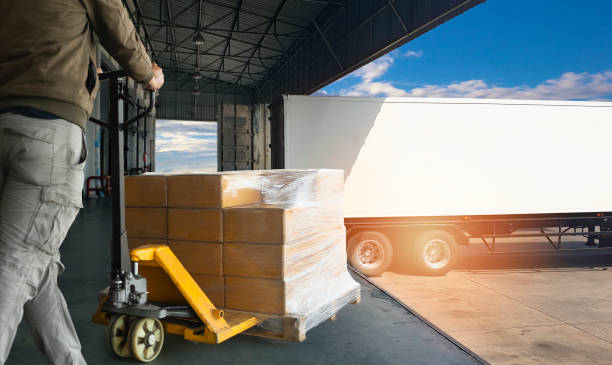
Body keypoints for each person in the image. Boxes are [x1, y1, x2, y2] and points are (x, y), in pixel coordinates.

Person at [0, 0, 164, 363]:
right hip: (48, 132)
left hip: (6, 123)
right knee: (13, 268)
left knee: (34, 263)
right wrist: (148, 75)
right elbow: (117, 26)